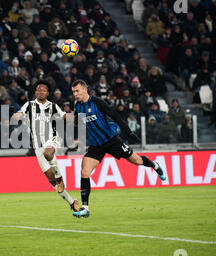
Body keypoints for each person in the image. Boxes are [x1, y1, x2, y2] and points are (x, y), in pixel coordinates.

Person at [71, 79, 166, 218]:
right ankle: (85, 208)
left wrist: (128, 132)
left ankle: (154, 165)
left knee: (137, 161)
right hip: (96, 145)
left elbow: (115, 116)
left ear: (85, 90)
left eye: (77, 91)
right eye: (73, 92)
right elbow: (76, 121)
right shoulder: (78, 107)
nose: (75, 94)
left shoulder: (97, 102)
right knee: (85, 171)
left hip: (111, 141)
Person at [12, 80, 79, 213]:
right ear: (35, 92)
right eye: (38, 89)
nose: (41, 91)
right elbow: (20, 113)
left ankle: (60, 177)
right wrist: (16, 116)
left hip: (52, 138)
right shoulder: (29, 105)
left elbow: (64, 116)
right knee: (50, 179)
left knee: (49, 153)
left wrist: (77, 117)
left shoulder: (53, 106)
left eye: (44, 90)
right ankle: (71, 201)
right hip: (37, 145)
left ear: (47, 93)